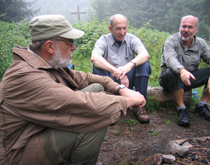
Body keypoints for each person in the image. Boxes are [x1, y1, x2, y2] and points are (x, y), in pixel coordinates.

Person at [0, 15, 146, 165]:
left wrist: (120, 88)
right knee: (95, 118)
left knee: (96, 88)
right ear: (50, 46)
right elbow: (80, 103)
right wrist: (128, 101)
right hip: (25, 151)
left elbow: (86, 78)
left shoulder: (45, 63)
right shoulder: (25, 76)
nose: (74, 47)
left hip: (42, 130)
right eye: (70, 42)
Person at [159, 15, 210, 127]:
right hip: (169, 79)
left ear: (196, 29)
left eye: (190, 27)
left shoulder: (200, 43)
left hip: (189, 79)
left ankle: (202, 105)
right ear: (179, 27)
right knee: (172, 72)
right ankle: (181, 109)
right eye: (184, 26)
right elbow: (170, 59)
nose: (186, 30)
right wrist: (181, 71)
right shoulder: (171, 41)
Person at [91, 14, 152, 124]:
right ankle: (108, 107)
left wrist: (127, 67)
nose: (122, 32)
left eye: (124, 28)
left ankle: (139, 105)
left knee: (144, 65)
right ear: (110, 29)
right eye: (118, 28)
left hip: (129, 77)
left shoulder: (132, 39)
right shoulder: (103, 40)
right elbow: (95, 58)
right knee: (97, 66)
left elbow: (145, 54)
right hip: (110, 80)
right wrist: (115, 71)